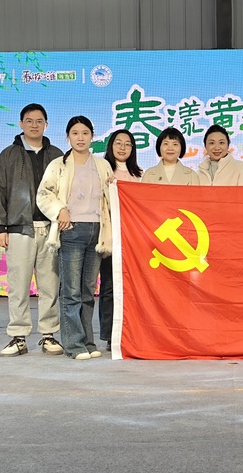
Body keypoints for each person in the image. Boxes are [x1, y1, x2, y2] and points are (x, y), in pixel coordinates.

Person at [0, 103, 64, 357]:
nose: (34, 125)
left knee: (50, 286)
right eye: (29, 121)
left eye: (39, 121)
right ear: (21, 124)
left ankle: (48, 335)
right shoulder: (8, 155)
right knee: (18, 286)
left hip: (51, 229)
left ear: (46, 124)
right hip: (18, 229)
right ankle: (18, 336)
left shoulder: (57, 155)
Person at [36, 116, 113, 360]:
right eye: (75, 133)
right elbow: (44, 194)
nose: (80, 138)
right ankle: (73, 344)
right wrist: (60, 210)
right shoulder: (58, 165)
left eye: (85, 133)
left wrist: (114, 187)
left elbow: (111, 197)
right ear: (68, 136)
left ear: (92, 136)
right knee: (71, 290)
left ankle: (88, 341)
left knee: (88, 291)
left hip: (96, 231)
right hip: (71, 230)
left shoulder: (102, 165)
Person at [98, 129, 143, 353]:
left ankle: (133, 331)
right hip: (111, 238)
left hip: (134, 240)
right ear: (111, 146)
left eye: (128, 144)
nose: (123, 147)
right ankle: (109, 334)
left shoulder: (140, 175)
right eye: (118, 143)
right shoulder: (103, 171)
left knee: (134, 287)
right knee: (109, 286)